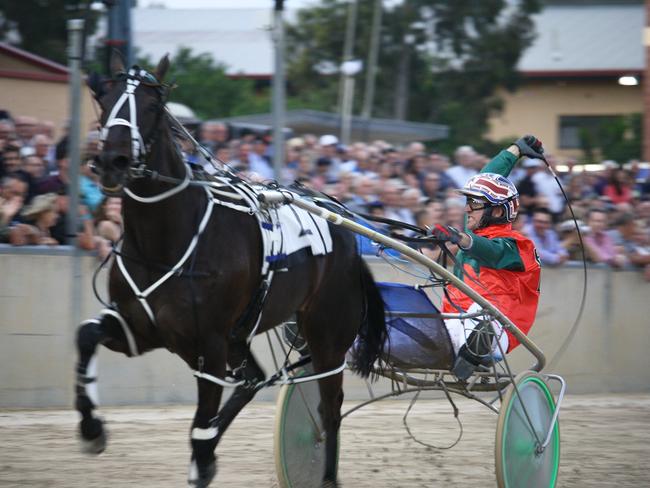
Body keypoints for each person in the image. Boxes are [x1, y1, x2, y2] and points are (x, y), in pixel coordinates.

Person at [428, 135, 544, 380]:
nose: (467, 208)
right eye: (468, 202)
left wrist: (460, 238)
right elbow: (486, 178)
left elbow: (492, 251)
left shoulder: (519, 245)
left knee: (482, 316)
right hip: (455, 317)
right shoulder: (474, 226)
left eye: (474, 204)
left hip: (500, 326)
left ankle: (475, 350)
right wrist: (515, 151)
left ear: (498, 210)